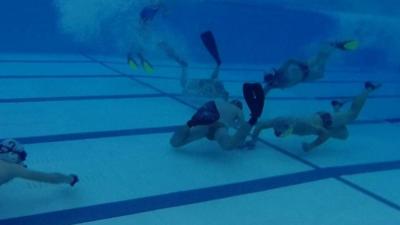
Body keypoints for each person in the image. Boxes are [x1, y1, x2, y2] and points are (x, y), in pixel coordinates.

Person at [251, 81, 380, 152]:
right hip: (320, 120)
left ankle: (368, 88)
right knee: (344, 135)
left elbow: (326, 134)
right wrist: (253, 141)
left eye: (281, 133)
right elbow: (260, 126)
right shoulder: (277, 122)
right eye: (279, 133)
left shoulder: (303, 125)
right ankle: (337, 106)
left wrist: (311, 146)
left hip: (326, 120)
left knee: (353, 114)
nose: (281, 135)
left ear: (287, 127)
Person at [170, 83, 265, 150]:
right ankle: (253, 119)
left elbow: (208, 104)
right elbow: (242, 128)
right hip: (220, 127)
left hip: (205, 123)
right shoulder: (238, 110)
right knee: (228, 145)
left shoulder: (220, 101)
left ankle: (188, 124)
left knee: (176, 143)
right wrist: (240, 142)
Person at [263, 40, 359, 94]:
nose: (272, 82)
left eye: (272, 79)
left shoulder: (281, 71)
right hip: (304, 77)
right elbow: (263, 93)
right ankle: (331, 47)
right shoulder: (271, 86)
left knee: (318, 59)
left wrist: (301, 63)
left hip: (302, 68)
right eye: (270, 81)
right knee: (321, 72)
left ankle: (330, 46)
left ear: (274, 74)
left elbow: (290, 60)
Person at [160, 31, 229, 100]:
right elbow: (213, 79)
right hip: (199, 85)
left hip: (199, 85)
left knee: (185, 84)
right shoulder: (218, 89)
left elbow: (213, 78)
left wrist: (218, 65)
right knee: (185, 85)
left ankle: (167, 49)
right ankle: (167, 49)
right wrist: (218, 65)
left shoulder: (217, 90)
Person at [0, 139, 79, 186]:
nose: (22, 160)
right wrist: (70, 179)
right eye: (21, 157)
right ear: (12, 156)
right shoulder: (14, 169)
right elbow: (52, 178)